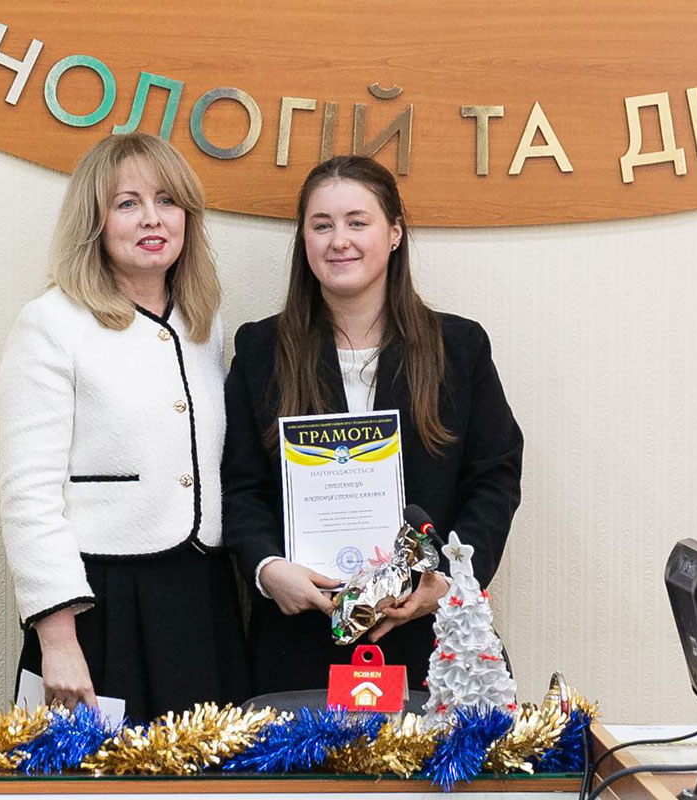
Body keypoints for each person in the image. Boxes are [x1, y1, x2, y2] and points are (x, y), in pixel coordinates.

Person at [222, 155, 523, 696]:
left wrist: (447, 579)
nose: (339, 240)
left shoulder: (459, 348)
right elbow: (239, 487)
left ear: (394, 234)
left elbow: (494, 479)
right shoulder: (261, 350)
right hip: (299, 640)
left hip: (433, 638)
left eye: (357, 222)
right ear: (304, 240)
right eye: (322, 225)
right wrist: (267, 569)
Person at [0, 132, 249, 719]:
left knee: (210, 765)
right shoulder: (50, 323)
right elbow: (28, 495)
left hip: (202, 594)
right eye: (127, 203)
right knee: (99, 768)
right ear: (95, 221)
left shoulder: (202, 320)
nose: (152, 219)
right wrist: (58, 639)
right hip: (99, 604)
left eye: (167, 200)